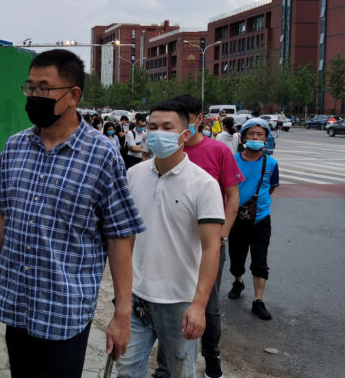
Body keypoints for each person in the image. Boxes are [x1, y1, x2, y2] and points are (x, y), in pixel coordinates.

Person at [0, 49, 146, 378]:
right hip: (16, 306)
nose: (34, 96)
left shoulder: (102, 156)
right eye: (30, 88)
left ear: (73, 95)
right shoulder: (15, 147)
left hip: (64, 314)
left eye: (44, 89)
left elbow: (120, 237)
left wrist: (122, 313)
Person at [116, 100, 224, 378]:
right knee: (127, 370)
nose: (158, 132)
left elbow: (212, 247)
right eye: (153, 126)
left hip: (180, 302)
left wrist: (199, 306)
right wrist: (121, 296)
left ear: (185, 134)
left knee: (180, 372)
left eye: (167, 127)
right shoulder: (133, 176)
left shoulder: (204, 184)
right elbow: (125, 239)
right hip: (137, 298)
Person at [152, 95, 244, 378]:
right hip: (169, 243)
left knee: (207, 304)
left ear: (196, 120)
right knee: (166, 304)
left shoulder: (218, 151)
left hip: (207, 245)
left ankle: (211, 356)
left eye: (186, 120)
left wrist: (222, 234)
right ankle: (165, 366)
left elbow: (231, 197)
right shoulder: (163, 152)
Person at [227, 118, 279, 321]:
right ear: (244, 136)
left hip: (261, 219)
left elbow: (271, 186)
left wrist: (258, 204)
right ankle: (238, 281)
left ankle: (258, 300)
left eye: (260, 135)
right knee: (236, 256)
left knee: (260, 259)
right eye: (251, 134)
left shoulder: (271, 163)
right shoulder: (233, 160)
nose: (255, 138)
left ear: (266, 138)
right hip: (236, 218)